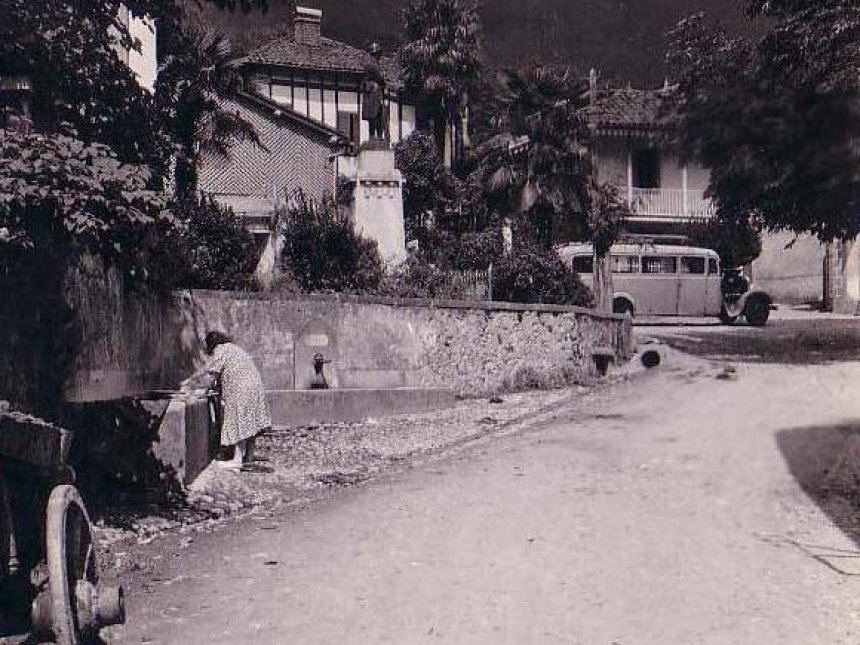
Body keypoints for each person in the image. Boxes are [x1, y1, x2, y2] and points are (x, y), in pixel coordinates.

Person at [181, 331, 272, 471]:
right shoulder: (234, 349)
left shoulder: (220, 350)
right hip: (255, 387)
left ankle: (236, 461)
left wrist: (189, 382)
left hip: (241, 388)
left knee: (237, 422)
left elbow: (209, 372)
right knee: (250, 424)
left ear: (211, 344)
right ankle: (247, 458)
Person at [361, 43, 388, 140]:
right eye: (377, 53)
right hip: (372, 91)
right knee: (373, 114)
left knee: (379, 114)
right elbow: (378, 75)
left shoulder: (376, 63)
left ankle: (380, 135)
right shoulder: (371, 63)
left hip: (377, 92)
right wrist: (382, 79)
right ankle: (373, 135)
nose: (379, 55)